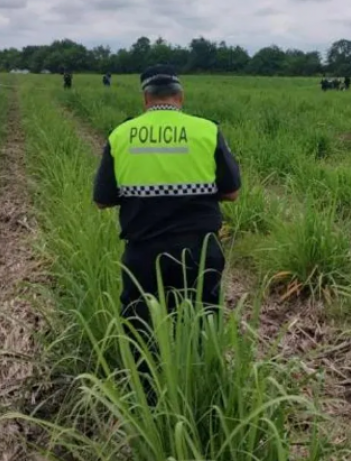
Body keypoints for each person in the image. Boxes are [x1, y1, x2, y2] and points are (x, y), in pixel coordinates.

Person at [93, 64, 241, 402]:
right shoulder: (206, 130)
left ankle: (147, 400)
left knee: (141, 326)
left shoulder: (122, 134)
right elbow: (232, 192)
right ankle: (203, 394)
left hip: (143, 251)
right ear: (180, 96)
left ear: (146, 99)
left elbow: (102, 200)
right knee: (203, 320)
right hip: (200, 248)